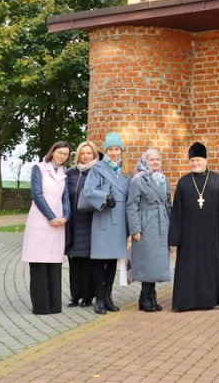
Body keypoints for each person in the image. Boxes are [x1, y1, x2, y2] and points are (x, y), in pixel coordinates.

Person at [169, 142, 219, 311]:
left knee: (211, 266)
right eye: (192, 160)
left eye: (198, 160)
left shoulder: (217, 180)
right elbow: (176, 211)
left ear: (206, 160)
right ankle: (187, 302)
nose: (195, 163)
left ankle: (212, 300)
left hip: (211, 233)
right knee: (189, 268)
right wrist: (175, 237)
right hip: (189, 235)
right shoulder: (183, 182)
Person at [83, 132, 130, 315]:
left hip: (120, 221)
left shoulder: (126, 171)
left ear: (121, 151)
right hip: (104, 217)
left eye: (117, 149)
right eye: (110, 149)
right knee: (99, 261)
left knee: (112, 261)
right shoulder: (97, 168)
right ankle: (99, 298)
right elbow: (88, 190)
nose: (113, 153)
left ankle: (109, 296)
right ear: (106, 150)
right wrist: (104, 197)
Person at [22, 141, 71, 315]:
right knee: (39, 263)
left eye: (66, 154)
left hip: (59, 222)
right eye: (60, 152)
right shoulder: (39, 168)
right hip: (41, 219)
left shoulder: (64, 172)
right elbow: (37, 194)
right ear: (53, 152)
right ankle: (41, 306)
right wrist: (51, 217)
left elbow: (66, 197)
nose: (62, 156)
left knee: (54, 264)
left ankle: (54, 305)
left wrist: (66, 216)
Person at [126, 149, 172, 312]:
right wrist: (135, 229)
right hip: (146, 223)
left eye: (157, 159)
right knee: (148, 260)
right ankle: (145, 297)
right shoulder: (138, 180)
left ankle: (151, 295)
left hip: (161, 223)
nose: (155, 162)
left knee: (157, 262)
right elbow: (131, 205)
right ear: (145, 161)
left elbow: (168, 203)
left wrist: (170, 224)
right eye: (151, 159)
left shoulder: (163, 179)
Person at [64, 141, 98, 308]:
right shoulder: (70, 173)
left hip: (91, 221)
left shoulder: (97, 172)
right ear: (78, 155)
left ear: (94, 155)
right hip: (73, 222)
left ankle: (87, 296)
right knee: (74, 260)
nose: (85, 156)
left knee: (88, 262)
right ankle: (74, 295)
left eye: (89, 153)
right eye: (83, 153)